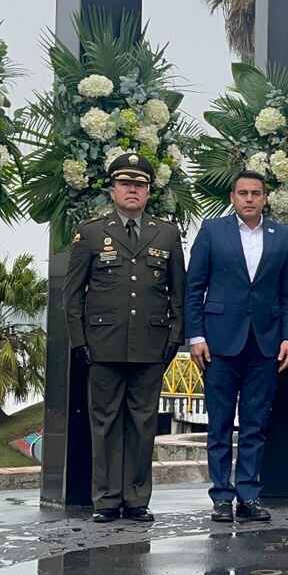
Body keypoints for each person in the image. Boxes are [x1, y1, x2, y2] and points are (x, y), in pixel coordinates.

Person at [63, 153, 186, 524]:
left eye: (139, 185)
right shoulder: (91, 233)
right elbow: (72, 295)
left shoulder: (166, 233)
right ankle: (105, 499)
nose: (132, 190)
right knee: (104, 423)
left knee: (143, 423)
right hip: (103, 343)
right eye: (125, 184)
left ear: (148, 192)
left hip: (151, 343)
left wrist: (175, 336)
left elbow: (178, 293)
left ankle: (136, 499)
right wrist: (79, 341)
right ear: (112, 190)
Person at [184, 171, 288, 523]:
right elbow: (194, 288)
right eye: (243, 193)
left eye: (256, 193)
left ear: (265, 198)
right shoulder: (212, 231)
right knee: (219, 423)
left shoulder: (282, 235)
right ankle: (221, 496)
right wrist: (196, 337)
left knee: (254, 424)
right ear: (232, 197)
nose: (249, 199)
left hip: (265, 343)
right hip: (218, 343)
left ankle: (248, 495)